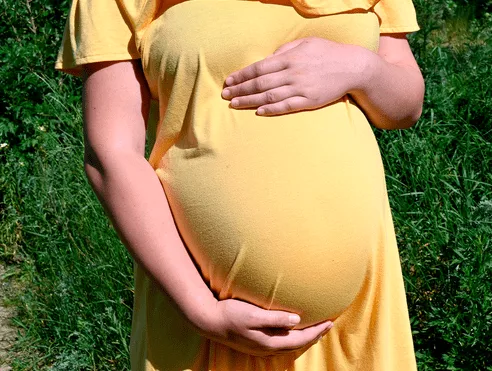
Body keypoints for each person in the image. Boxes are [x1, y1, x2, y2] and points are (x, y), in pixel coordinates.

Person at [56, 0, 424, 369]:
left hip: (354, 323)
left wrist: (360, 69)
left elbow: (406, 106)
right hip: (206, 318)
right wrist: (202, 310)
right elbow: (111, 155)